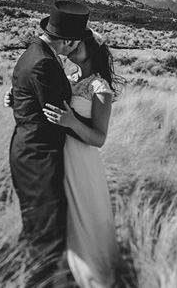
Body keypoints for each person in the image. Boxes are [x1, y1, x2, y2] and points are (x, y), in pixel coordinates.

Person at [8, 0, 93, 288]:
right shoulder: (43, 62)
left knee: (38, 224)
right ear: (68, 39)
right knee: (47, 229)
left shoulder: (35, 53)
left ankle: (31, 276)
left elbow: (27, 95)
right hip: (39, 154)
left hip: (29, 148)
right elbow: (55, 114)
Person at [43, 29, 123, 288]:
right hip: (59, 156)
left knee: (85, 219)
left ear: (93, 49)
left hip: (82, 161)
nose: (74, 45)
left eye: (80, 42)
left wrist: (71, 122)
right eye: (72, 41)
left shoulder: (100, 87)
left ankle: (93, 278)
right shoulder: (67, 77)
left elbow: (99, 138)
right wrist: (16, 98)